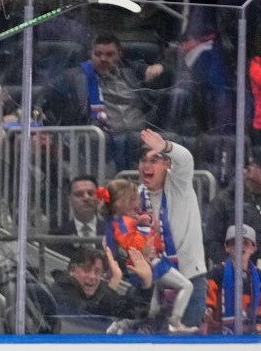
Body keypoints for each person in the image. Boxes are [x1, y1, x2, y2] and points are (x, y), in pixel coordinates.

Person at [39, 34, 163, 170]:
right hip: (102, 136)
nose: (103, 59)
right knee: (120, 141)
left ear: (119, 55)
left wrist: (160, 67)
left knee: (170, 138)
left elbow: (163, 75)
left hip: (139, 133)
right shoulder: (75, 77)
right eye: (98, 54)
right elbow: (44, 95)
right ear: (90, 54)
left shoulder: (131, 73)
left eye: (109, 54)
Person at [99, 178, 196, 333]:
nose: (137, 204)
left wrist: (147, 225)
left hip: (145, 265)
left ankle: (122, 324)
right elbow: (134, 243)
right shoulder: (123, 223)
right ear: (120, 203)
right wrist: (144, 246)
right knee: (186, 285)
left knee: (152, 309)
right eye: (132, 200)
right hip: (150, 265)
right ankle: (175, 322)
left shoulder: (117, 222)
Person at [136, 130, 210, 328]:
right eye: (144, 161)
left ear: (167, 164)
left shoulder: (179, 183)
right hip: (157, 286)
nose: (147, 166)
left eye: (155, 160)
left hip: (190, 280)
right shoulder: (137, 197)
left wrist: (166, 147)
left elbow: (185, 159)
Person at [50, 247, 152, 323]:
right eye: (86, 269)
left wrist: (145, 284)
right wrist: (114, 282)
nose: (92, 277)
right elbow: (85, 319)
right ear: (72, 270)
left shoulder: (101, 289)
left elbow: (133, 313)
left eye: (97, 271)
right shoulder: (60, 290)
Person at [205, 149, 261, 264]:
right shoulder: (222, 201)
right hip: (232, 269)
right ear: (250, 169)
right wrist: (230, 265)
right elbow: (212, 242)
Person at [205, 224, 261, 333]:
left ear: (253, 248)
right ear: (227, 247)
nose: (241, 246)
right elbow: (208, 299)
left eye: (246, 243)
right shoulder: (217, 273)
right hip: (220, 335)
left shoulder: (258, 277)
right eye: (235, 243)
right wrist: (208, 310)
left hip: (252, 336)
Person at [50, 175, 107, 259]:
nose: (86, 198)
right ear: (69, 199)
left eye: (91, 193)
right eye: (79, 194)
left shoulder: (113, 232)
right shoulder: (57, 236)